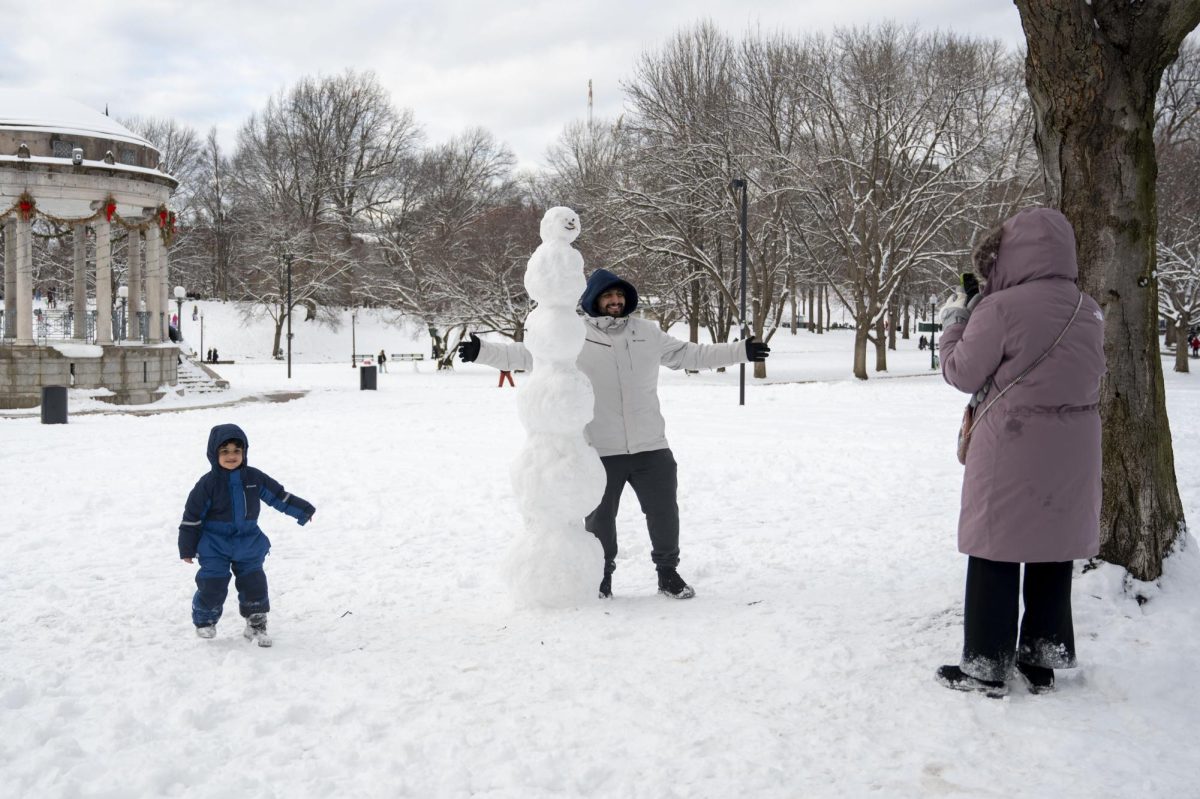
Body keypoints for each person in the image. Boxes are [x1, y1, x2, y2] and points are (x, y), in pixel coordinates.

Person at [458, 268, 770, 600]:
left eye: (620, 295)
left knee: (665, 513)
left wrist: (741, 352)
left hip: (652, 445)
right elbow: (529, 355)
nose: (616, 301)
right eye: (608, 296)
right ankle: (601, 576)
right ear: (593, 299)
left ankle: (668, 573)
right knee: (601, 521)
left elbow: (690, 355)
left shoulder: (647, 333)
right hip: (601, 448)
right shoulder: (574, 336)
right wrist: (483, 352)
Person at [935, 208, 1105, 697]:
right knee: (1054, 548)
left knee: (995, 548)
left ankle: (986, 665)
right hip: (1074, 448)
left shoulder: (1001, 309)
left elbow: (961, 372)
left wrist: (956, 319)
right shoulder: (1087, 308)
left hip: (1011, 443)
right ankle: (1043, 658)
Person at [178, 423, 315, 646]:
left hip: (248, 541)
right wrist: (187, 547)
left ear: (245, 452)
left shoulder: (254, 477)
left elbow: (278, 496)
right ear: (214, 454)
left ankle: (256, 623)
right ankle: (205, 619)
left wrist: (303, 510)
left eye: (236, 451)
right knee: (212, 583)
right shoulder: (208, 484)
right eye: (225, 451)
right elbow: (192, 517)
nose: (231, 456)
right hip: (214, 543)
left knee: (254, 583)